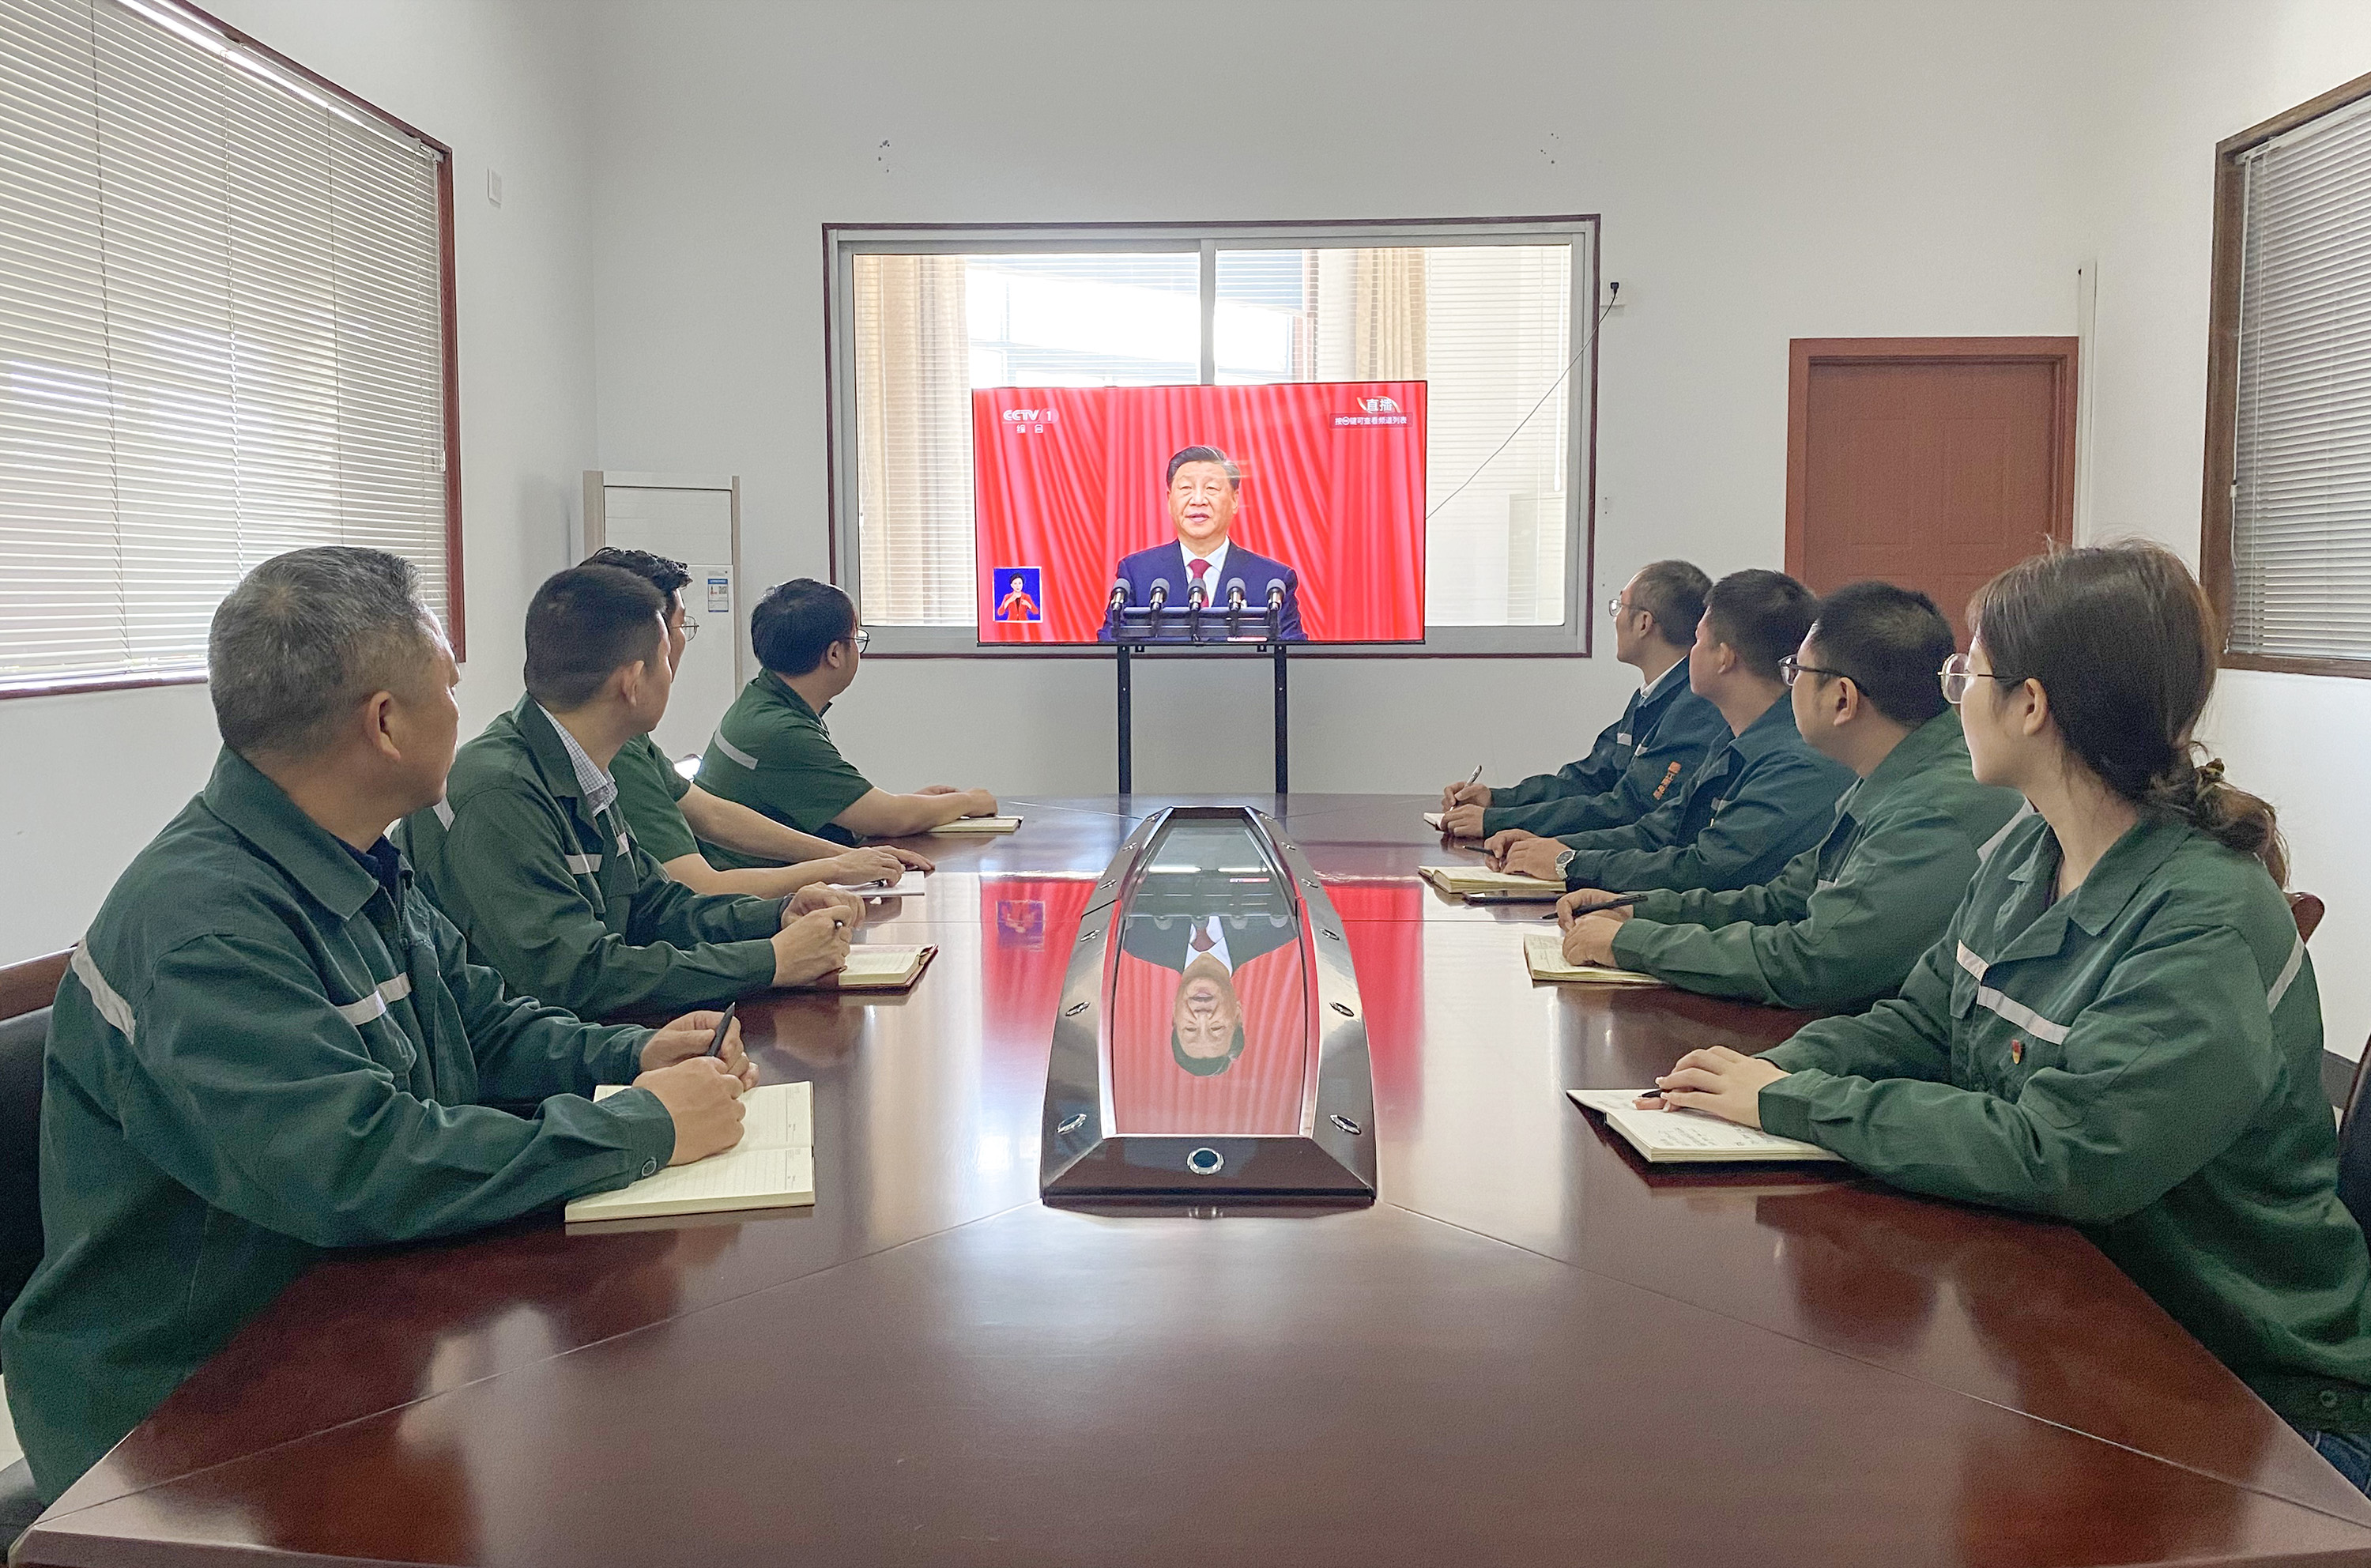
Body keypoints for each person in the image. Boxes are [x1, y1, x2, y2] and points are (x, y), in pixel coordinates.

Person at [0, 548, 763, 1504]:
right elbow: (358, 1165)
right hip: (176, 1414)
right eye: (449, 684)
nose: (463, 708)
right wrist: (639, 1124)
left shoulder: (352, 856)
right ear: (387, 722)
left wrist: (638, 1050)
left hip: (338, 1313)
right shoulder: (202, 926)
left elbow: (483, 1026)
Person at [1643, 543, 2371, 1495]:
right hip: (2092, 1322)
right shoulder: (2031, 849)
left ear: (2032, 704)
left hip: (2257, 1399)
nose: (1953, 700)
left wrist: (1796, 1103)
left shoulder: (2204, 919)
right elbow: (1923, 1020)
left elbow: (2063, 1154)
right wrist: (1771, 1073)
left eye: (1967, 675)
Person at [397, 565, 858, 1020]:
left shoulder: (582, 762)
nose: (673, 672)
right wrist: (769, 961)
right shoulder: (499, 793)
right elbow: (577, 975)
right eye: (666, 655)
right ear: (633, 683)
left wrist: (777, 916)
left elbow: (653, 906)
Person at [1556, 581, 2024, 1010]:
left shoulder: (1931, 810)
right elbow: (1782, 900)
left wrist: (1634, 943)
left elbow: (1815, 962)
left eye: (1797, 671)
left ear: (1842, 700)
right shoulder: (1893, 771)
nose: (1789, 685)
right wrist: (1636, 909)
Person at [582, 548, 932, 897]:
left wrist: (844, 857)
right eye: (681, 626)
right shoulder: (615, 752)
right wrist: (836, 868)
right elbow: (699, 887)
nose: (679, 643)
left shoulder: (629, 739)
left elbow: (713, 815)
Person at [1488, 569, 1853, 895]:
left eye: (1698, 640)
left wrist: (1572, 863)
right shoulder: (1732, 737)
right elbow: (1658, 831)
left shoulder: (1797, 762)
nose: (1690, 652)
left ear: (1724, 657)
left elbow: (1708, 869)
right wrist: (1556, 848)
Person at [699, 579, 999, 854]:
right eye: (856, 639)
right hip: (759, 887)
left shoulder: (763, 699)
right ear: (834, 654)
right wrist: (968, 801)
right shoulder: (781, 732)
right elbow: (890, 818)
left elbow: (865, 812)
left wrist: (917, 807)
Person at [1437, 560, 1728, 840]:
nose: (1615, 618)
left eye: (1620, 606)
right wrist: (1498, 800)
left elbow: (1628, 810)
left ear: (1643, 623)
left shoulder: (1696, 709)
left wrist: (1498, 822)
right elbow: (1590, 779)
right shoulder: (1652, 695)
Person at [1101, 446, 1305, 641]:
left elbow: (1293, 656)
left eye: (1211, 488)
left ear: (1235, 500)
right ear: (1170, 500)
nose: (1198, 500)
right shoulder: (1137, 574)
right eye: (1186, 488)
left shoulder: (1273, 581)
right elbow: (1110, 650)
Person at [1120, 911, 1299, 1076]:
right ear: (1237, 1014)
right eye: (1216, 1028)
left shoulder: (1136, 937)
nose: (1202, 1016)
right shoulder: (1277, 928)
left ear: (1174, 1015)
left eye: (1190, 1028)